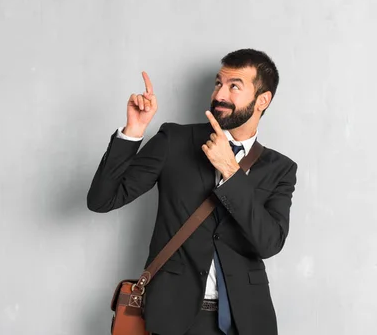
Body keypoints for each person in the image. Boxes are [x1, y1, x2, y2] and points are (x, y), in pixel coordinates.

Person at [87, 49, 298, 335]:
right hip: (175, 318)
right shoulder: (174, 141)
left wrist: (231, 172)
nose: (220, 94)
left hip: (246, 321)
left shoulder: (280, 169)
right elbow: (102, 200)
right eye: (218, 83)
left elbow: (269, 243)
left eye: (234, 86)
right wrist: (133, 131)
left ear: (263, 100)